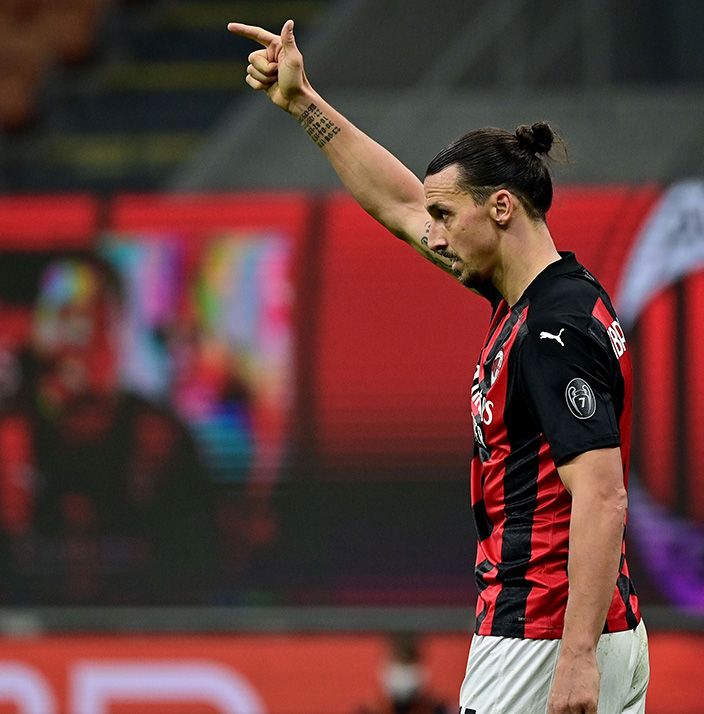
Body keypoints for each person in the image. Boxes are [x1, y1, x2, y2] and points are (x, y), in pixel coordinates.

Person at [228, 20, 648, 714]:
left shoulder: (552, 329)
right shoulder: (537, 296)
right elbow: (397, 204)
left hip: (540, 637)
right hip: (580, 630)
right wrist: (304, 104)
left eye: (448, 215)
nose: (435, 232)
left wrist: (573, 661)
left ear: (502, 207)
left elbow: (602, 497)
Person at [1, 254, 217, 603]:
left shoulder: (159, 439)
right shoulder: (13, 439)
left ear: (116, 330)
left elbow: (198, 570)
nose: (73, 337)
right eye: (59, 316)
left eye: (88, 317)